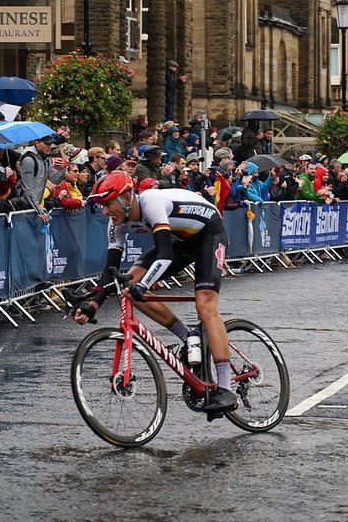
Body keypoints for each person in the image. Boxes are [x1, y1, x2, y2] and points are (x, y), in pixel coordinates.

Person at [72, 171, 238, 415]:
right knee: (128, 287)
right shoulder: (116, 222)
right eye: (102, 206)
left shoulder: (150, 201)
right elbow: (111, 270)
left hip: (209, 234)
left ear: (128, 196)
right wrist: (93, 303)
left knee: (205, 306)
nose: (105, 211)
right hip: (179, 239)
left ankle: (225, 387)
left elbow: (164, 254)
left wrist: (144, 285)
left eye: (108, 204)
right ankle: (188, 336)